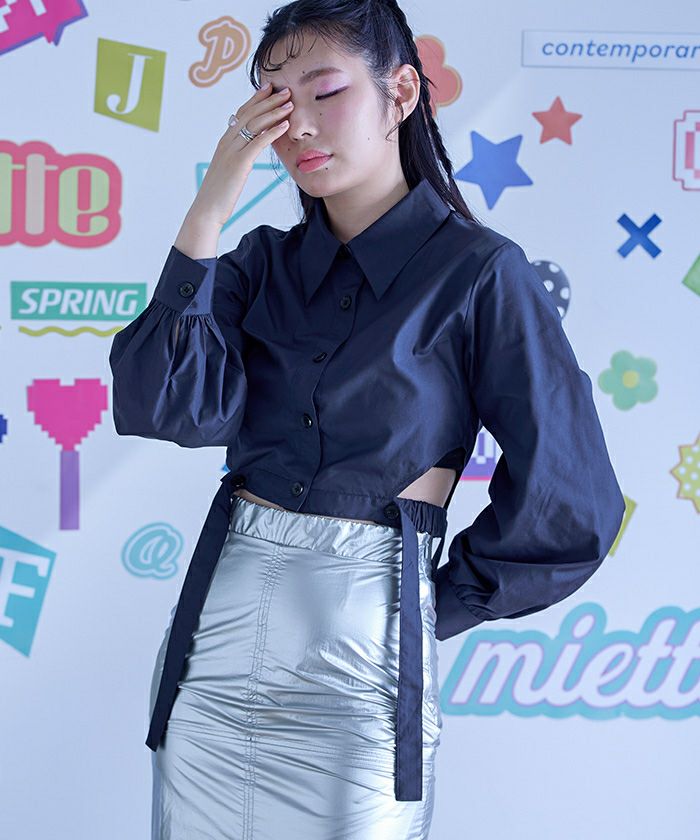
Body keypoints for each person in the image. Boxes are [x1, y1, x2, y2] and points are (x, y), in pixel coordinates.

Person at [108, 0, 626, 837]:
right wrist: (209, 208)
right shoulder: (257, 265)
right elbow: (164, 405)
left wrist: (424, 607)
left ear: (402, 93)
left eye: (326, 91)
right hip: (212, 664)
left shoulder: (481, 275)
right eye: (276, 103)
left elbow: (573, 502)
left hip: (363, 679)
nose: (300, 126)